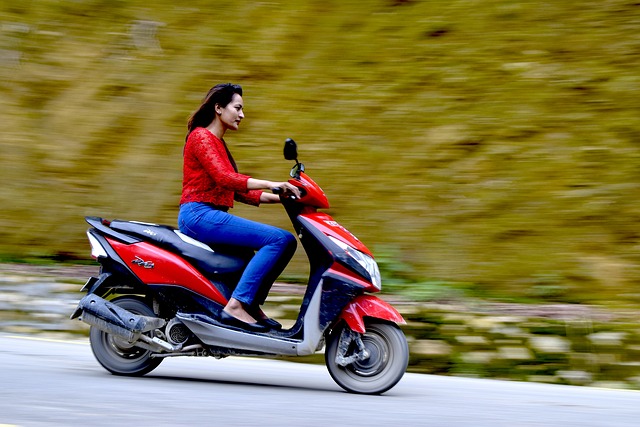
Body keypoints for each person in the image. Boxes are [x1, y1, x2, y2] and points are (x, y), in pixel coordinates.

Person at [178, 83, 300, 332]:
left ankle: (249, 304)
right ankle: (236, 306)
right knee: (278, 240)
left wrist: (285, 197)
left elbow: (238, 191)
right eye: (238, 108)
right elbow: (226, 178)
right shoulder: (201, 137)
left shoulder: (218, 144)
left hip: (208, 214)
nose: (242, 115)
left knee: (265, 250)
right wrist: (272, 183)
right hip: (198, 214)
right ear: (219, 108)